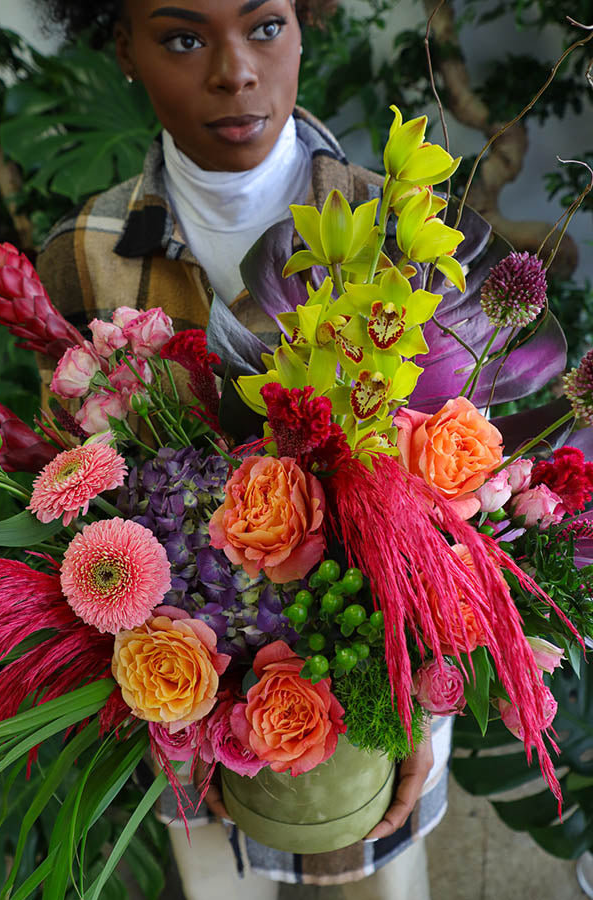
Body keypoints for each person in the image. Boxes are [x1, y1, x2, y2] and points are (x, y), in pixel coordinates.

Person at [33, 2, 453, 898]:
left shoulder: (393, 226)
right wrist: (182, 727)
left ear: (305, 26)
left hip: (382, 703)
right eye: (184, 38)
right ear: (126, 48)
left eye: (265, 25)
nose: (234, 71)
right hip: (192, 717)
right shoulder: (88, 254)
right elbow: (74, 508)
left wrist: (425, 708)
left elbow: (463, 510)